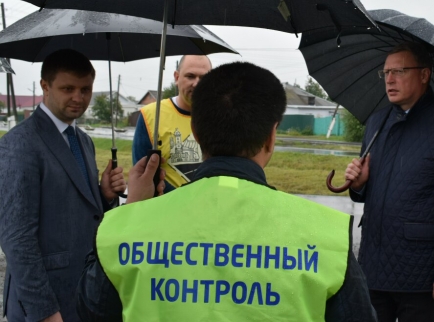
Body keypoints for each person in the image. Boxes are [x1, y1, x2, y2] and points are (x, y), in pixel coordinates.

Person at [76, 62, 377, 322]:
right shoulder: (327, 237)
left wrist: (131, 214)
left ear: (195, 132)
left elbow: (92, 310)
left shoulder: (123, 230)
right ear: (272, 137)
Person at [344, 42, 434, 322]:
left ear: (424, 75)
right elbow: (365, 195)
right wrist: (359, 184)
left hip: (422, 278)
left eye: (400, 71)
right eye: (385, 73)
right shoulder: (376, 123)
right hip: (373, 268)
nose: (390, 80)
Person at [0, 49, 126, 322]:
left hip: (81, 294)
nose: (78, 98)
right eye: (68, 88)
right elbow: (17, 238)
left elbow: (79, 207)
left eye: (86, 89)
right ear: (45, 86)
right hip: (47, 303)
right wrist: (45, 312)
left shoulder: (83, 140)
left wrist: (104, 195)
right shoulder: (20, 144)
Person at [132, 55, 212, 192]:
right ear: (176, 77)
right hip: (163, 207)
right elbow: (141, 174)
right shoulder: (151, 115)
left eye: (204, 78)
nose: (197, 84)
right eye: (190, 76)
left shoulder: (221, 115)